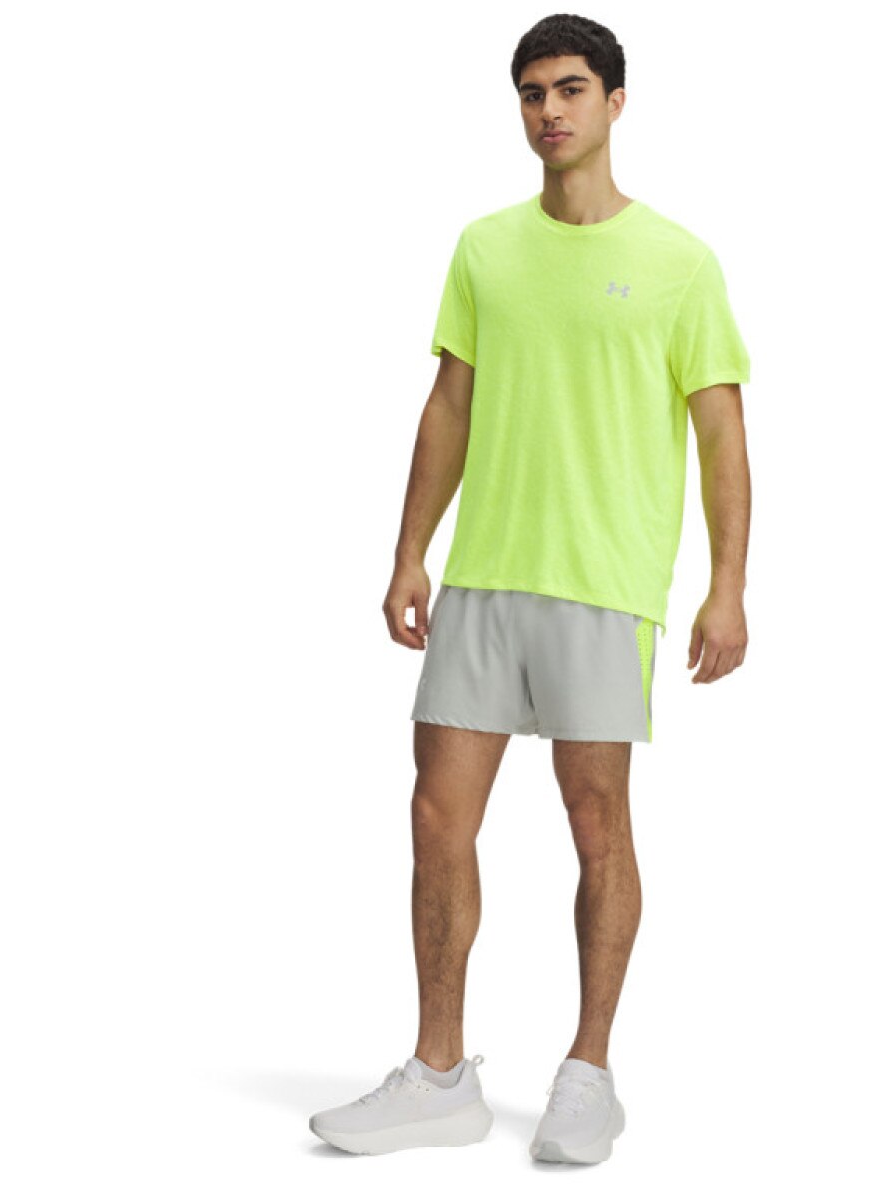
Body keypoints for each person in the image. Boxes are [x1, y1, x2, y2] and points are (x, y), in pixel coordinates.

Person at [310, 13, 752, 1164]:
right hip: (484, 578)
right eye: (530, 92)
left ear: (615, 102)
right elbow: (450, 405)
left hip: (604, 586)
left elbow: (720, 430)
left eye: (570, 89)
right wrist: (410, 553)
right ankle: (439, 1075)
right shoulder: (485, 249)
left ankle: (588, 1073)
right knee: (435, 816)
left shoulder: (681, 262)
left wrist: (728, 586)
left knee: (596, 825)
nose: (548, 110)